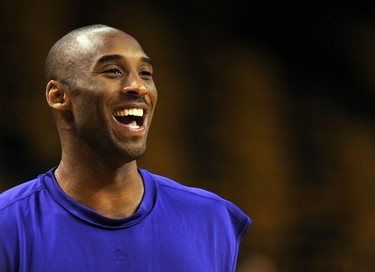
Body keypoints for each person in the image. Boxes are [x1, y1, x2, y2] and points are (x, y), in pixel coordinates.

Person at [0, 24, 251, 271]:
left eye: (145, 73)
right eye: (113, 71)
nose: (139, 86)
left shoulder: (211, 218)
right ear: (58, 96)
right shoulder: (8, 224)